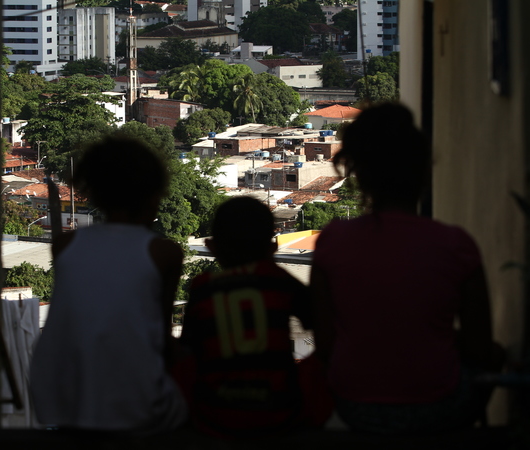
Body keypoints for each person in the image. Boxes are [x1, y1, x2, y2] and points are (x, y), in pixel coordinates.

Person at [310, 103, 503, 434]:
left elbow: (325, 341)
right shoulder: (456, 245)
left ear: (358, 172)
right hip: (440, 408)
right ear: (424, 170)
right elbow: (479, 348)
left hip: (355, 406)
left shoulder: (333, 241)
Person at [30, 136, 187, 435]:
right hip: (132, 402)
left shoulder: (66, 245)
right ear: (152, 194)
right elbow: (161, 339)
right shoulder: (163, 253)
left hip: (62, 397)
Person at [179, 197, 333, 439]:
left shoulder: (203, 288)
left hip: (215, 417)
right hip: (279, 414)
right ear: (272, 249)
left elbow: (187, 354)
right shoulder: (279, 280)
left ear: (211, 247)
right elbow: (325, 334)